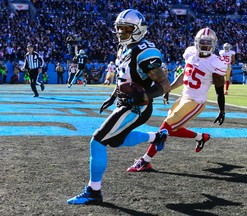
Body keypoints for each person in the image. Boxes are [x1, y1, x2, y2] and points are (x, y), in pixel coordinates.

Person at [67, 9, 170, 205]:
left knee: (97, 141)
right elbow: (124, 79)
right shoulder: (124, 48)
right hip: (125, 103)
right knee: (115, 141)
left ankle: (93, 191)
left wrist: (143, 97)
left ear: (138, 29)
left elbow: (164, 85)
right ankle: (157, 136)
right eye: (119, 28)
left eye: (127, 28)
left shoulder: (144, 52)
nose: (122, 32)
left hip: (137, 107)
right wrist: (113, 95)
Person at [127, 27, 227, 172]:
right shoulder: (190, 53)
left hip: (195, 102)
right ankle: (201, 137)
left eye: (208, 43)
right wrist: (168, 88)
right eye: (203, 42)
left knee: (165, 128)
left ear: (214, 44)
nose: (205, 46)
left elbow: (219, 89)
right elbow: (185, 76)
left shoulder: (216, 62)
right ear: (197, 42)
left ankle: (145, 160)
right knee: (171, 130)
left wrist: (222, 110)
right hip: (184, 97)